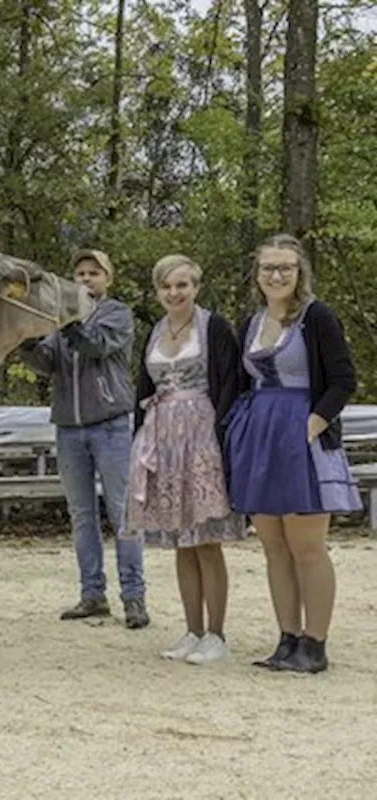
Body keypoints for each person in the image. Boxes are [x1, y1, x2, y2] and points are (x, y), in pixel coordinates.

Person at [223, 233, 360, 674]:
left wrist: (311, 426)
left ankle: (315, 644)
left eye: (285, 267)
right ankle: (287, 637)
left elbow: (342, 379)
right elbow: (240, 383)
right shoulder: (250, 322)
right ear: (257, 274)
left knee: (308, 547)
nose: (276, 275)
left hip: (302, 436)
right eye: (268, 268)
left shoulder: (316, 317)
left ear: (299, 272)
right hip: (260, 437)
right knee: (273, 547)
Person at [124, 255, 245, 664]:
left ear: (196, 286)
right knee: (180, 542)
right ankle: (192, 630)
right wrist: (141, 440)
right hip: (163, 437)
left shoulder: (214, 328)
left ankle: (217, 634)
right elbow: (143, 386)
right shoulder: (155, 331)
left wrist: (220, 437)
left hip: (202, 435)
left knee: (206, 540)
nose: (174, 293)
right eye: (166, 287)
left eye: (182, 285)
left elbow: (230, 383)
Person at [19, 248, 148, 628]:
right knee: (81, 516)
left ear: (108, 279)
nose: (86, 279)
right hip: (69, 429)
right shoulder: (59, 322)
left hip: (110, 425)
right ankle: (92, 594)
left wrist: (68, 322)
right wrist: (26, 340)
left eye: (94, 272)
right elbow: (46, 363)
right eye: (80, 273)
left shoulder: (117, 314)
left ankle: (134, 596)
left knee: (122, 513)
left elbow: (96, 345)